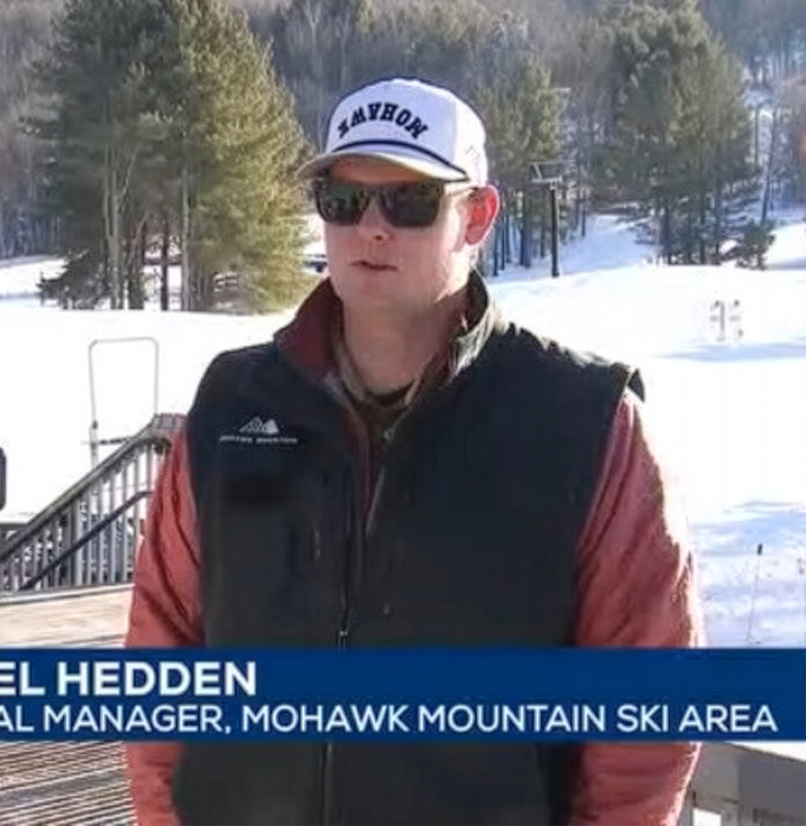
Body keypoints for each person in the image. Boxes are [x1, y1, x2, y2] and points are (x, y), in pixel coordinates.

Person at [123, 77, 704, 826]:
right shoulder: (234, 405)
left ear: (477, 217)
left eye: (410, 201)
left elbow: (646, 718)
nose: (371, 228)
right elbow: (161, 665)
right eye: (344, 200)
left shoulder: (586, 424)